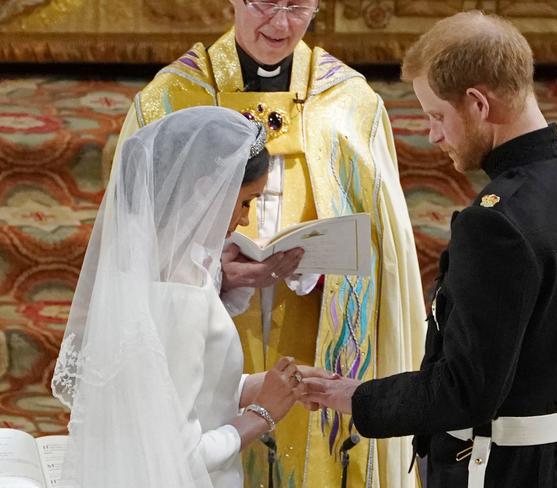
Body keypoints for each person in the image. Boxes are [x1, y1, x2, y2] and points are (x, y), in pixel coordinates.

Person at [303, 11, 557, 488]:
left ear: (477, 103)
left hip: (503, 472)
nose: (433, 134)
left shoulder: (495, 224)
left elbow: (465, 392)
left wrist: (356, 397)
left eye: (437, 116)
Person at [108, 1, 426, 486]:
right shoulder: (171, 98)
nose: (280, 25)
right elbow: (131, 241)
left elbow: (386, 247)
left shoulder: (349, 102)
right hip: (202, 323)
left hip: (314, 319)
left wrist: (326, 265)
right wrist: (212, 274)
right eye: (264, 3)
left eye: (297, 6)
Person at [51, 106, 330, 488]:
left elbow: (173, 392)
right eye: (246, 201)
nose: (245, 219)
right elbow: (179, 456)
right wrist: (263, 414)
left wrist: (269, 384)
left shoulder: (155, 266)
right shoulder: (180, 291)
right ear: (209, 189)